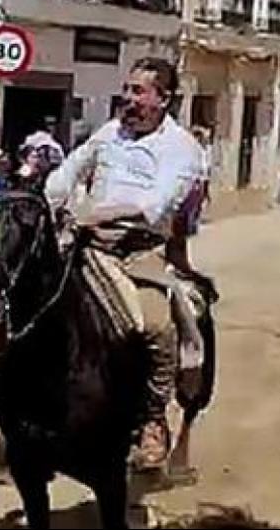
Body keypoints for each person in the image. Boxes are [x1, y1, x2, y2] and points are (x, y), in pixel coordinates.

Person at [43, 57, 201, 468]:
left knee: (153, 325)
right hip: (86, 243)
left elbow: (155, 204)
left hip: (138, 251)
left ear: (164, 99)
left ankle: (152, 419)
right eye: (127, 89)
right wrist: (49, 194)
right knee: (24, 295)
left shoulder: (182, 148)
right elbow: (68, 171)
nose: (129, 99)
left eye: (140, 91)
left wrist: (99, 213)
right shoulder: (109, 133)